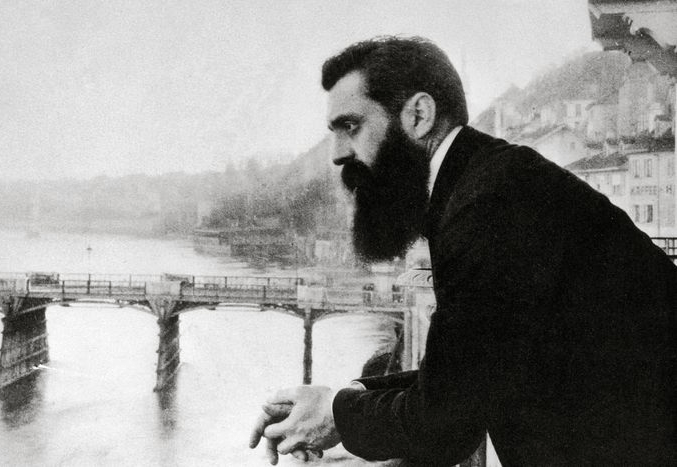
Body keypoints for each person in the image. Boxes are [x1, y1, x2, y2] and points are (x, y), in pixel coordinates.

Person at [249, 36, 677, 466]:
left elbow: (445, 423)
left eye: (352, 126)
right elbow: (472, 370)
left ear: (419, 115)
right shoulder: (484, 182)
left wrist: (336, 415)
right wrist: (351, 397)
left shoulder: (487, 205)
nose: (339, 154)